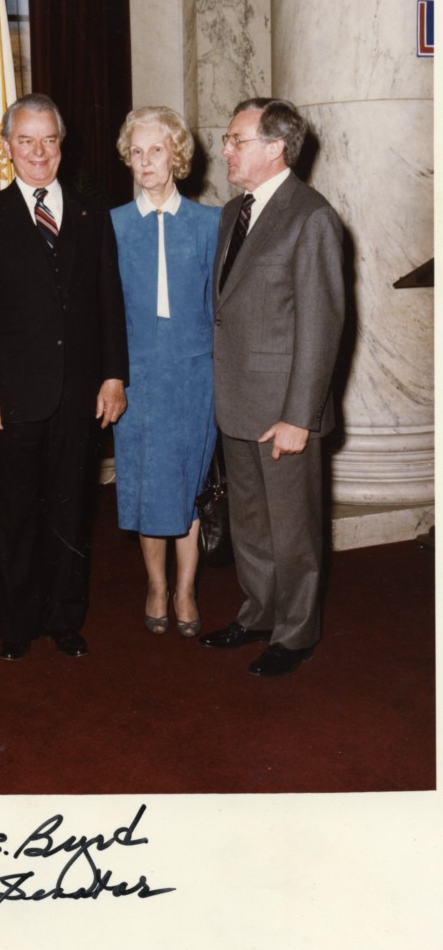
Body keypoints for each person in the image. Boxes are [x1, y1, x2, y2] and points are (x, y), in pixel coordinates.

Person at [0, 93, 129, 661]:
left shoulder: (92, 215)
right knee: (18, 515)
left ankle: (64, 619)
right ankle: (18, 626)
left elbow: (109, 303)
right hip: (12, 399)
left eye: (47, 140)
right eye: (25, 141)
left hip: (79, 396)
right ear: (7, 147)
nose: (37, 152)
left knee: (71, 513)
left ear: (61, 145)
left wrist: (113, 376)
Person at [199, 97, 345, 676]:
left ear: (276, 147)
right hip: (237, 401)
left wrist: (299, 417)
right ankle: (259, 613)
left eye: (236, 140)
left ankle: (296, 632)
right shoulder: (233, 211)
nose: (225, 150)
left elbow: (321, 326)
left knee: (293, 529)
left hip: (284, 409)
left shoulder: (311, 217)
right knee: (251, 523)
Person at [111, 106, 221, 638]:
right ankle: (156, 586)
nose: (145, 161)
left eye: (156, 150)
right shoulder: (112, 225)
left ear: (176, 155)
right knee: (146, 483)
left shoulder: (209, 224)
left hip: (193, 378)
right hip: (134, 378)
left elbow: (220, 310)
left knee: (187, 484)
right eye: (137, 152)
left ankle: (186, 589)